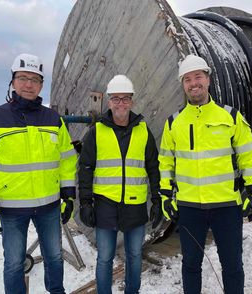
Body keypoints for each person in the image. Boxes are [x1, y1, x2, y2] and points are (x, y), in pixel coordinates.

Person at [0, 53, 77, 294]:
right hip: (11, 210)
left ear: (41, 85)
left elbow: (67, 161)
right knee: (14, 264)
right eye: (23, 78)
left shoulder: (53, 120)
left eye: (35, 79)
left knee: (55, 258)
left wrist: (68, 195)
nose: (29, 84)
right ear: (13, 81)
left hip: (49, 206)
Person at [158, 54, 252, 294]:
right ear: (182, 85)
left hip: (226, 207)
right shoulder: (174, 123)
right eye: (187, 79)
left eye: (198, 77)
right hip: (189, 207)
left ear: (208, 80)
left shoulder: (231, 117)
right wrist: (165, 195)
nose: (193, 83)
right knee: (191, 265)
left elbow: (248, 157)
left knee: (233, 265)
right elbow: (166, 162)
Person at [78, 75, 162, 294]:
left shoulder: (143, 131)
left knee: (134, 255)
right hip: (105, 205)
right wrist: (86, 203)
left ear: (132, 101)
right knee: (105, 257)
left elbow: (153, 167)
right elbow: (85, 168)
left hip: (135, 206)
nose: (121, 103)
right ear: (109, 101)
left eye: (125, 99)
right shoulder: (97, 132)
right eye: (116, 99)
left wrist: (157, 200)